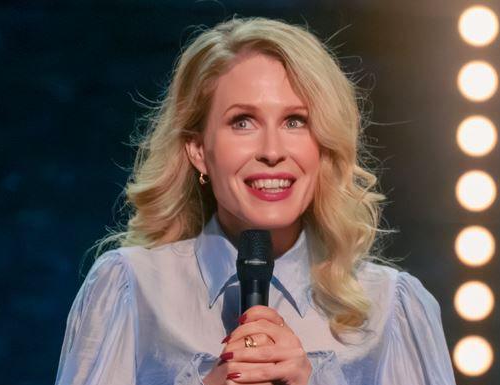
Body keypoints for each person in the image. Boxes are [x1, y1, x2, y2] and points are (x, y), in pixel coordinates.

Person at [55, 16, 456, 385]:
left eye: (295, 121)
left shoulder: (388, 307)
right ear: (198, 150)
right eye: (242, 122)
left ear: (323, 145)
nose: (272, 150)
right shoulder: (133, 287)